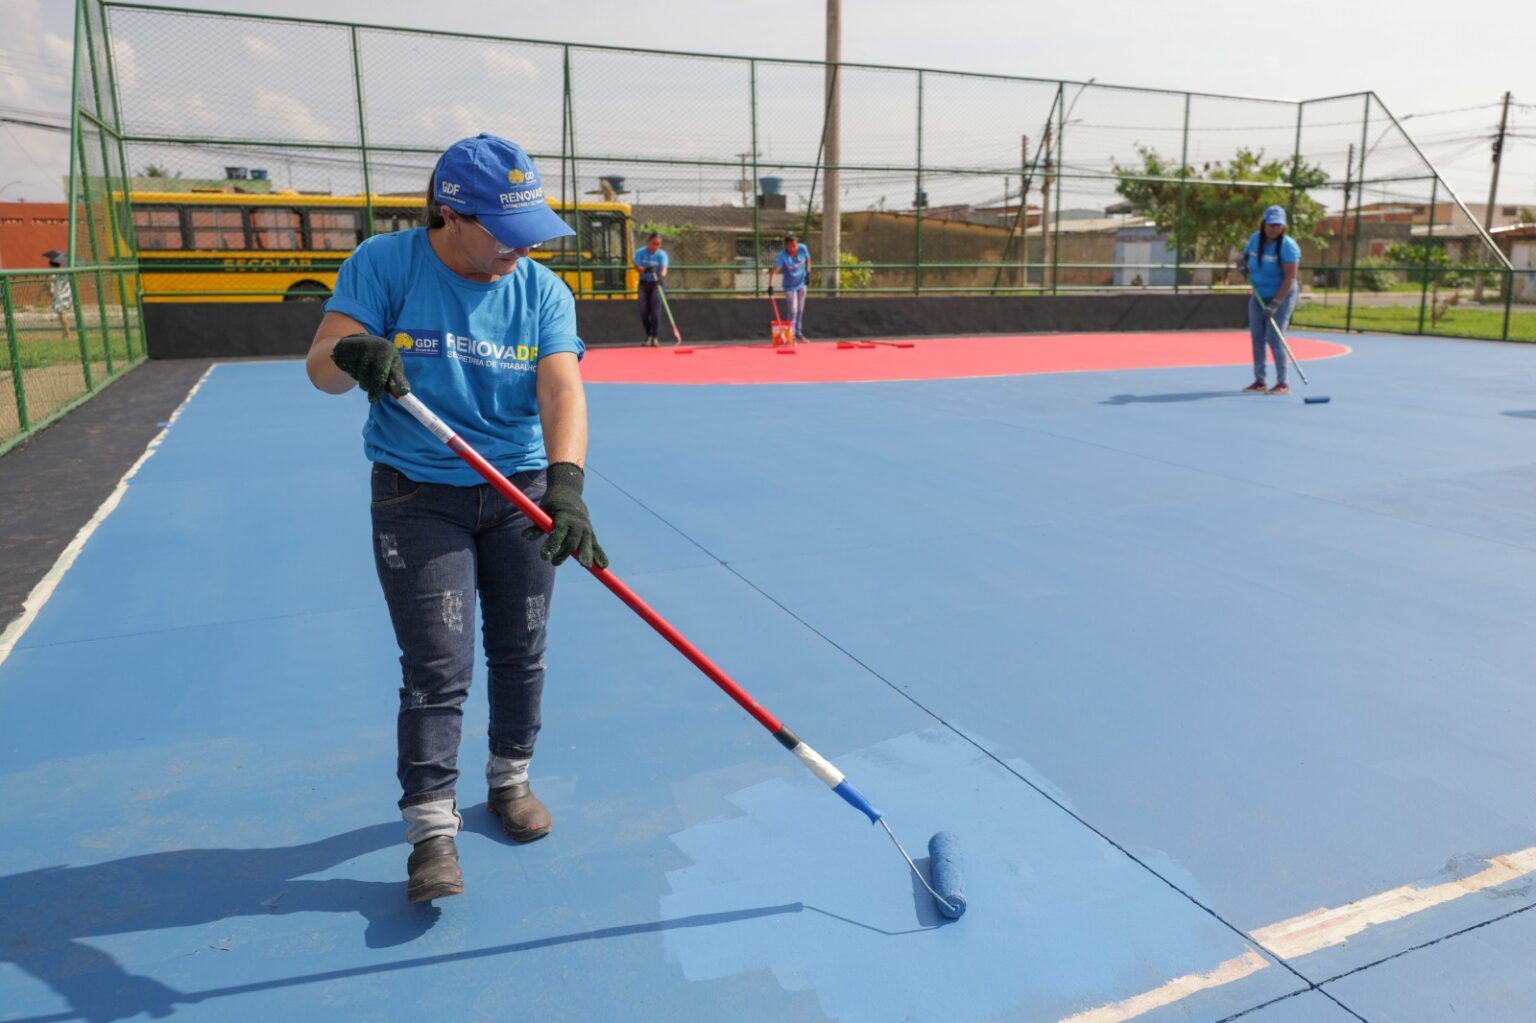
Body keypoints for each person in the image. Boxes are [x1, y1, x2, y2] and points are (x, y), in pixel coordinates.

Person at [304, 133, 607, 904]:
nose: (522, 248)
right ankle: (432, 829)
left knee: (521, 647)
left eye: (531, 230)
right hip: (419, 493)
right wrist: (354, 352)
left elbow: (562, 391)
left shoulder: (540, 291)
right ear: (451, 213)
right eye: (506, 232)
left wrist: (566, 486)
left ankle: (510, 779)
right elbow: (321, 363)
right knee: (439, 665)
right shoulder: (385, 263)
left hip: (519, 492)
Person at [1241, 205, 1301, 395]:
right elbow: (1244, 257)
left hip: (1282, 295)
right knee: (1257, 335)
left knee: (1274, 337)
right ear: (1264, 223)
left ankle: (1283, 382)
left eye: (1278, 225)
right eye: (1271, 224)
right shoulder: (1255, 239)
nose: (1274, 228)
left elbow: (1289, 278)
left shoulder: (1288, 246)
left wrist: (1275, 304)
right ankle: (1260, 381)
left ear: (1283, 226)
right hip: (1259, 294)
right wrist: (1241, 264)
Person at [767, 233, 811, 342]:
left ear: (797, 244)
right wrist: (771, 286)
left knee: (800, 309)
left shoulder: (803, 248)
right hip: (789, 286)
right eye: (789, 246)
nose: (792, 249)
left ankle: (799, 333)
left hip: (801, 284)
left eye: (794, 246)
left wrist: (808, 273)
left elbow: (808, 259)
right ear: (785, 246)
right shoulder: (783, 256)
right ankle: (791, 336)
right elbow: (774, 272)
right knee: (793, 310)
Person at [634, 232, 668, 346]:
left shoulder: (662, 254)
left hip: (656, 284)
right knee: (643, 311)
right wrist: (645, 270)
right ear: (649, 242)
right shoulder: (640, 253)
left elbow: (664, 268)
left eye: (658, 244)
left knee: (655, 311)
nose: (655, 246)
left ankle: (655, 336)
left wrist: (661, 277)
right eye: (653, 243)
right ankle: (648, 335)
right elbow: (637, 267)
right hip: (644, 283)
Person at [43, 250, 72, 339]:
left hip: (59, 296)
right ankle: (65, 333)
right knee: (63, 314)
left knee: (62, 315)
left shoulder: (53, 273)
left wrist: (47, 292)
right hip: (67, 294)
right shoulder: (64, 272)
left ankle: (67, 333)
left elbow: (48, 284)